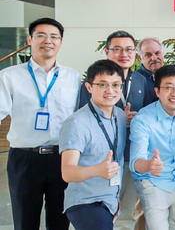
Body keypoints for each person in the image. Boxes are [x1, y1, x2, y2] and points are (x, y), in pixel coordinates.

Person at [0, 17, 81, 230]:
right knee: (25, 221)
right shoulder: (9, 76)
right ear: (30, 39)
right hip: (25, 159)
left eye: (54, 36)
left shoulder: (72, 77)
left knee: (60, 221)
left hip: (62, 157)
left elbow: (81, 118)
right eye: (41, 35)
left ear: (61, 42)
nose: (48, 40)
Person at [77, 30, 148, 230]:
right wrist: (119, 119)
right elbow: (86, 117)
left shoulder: (141, 80)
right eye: (117, 49)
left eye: (128, 49)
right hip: (100, 159)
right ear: (107, 52)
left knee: (127, 212)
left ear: (135, 53)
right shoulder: (94, 82)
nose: (123, 54)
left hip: (129, 156)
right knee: (101, 213)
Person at [129, 65, 175, 230]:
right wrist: (149, 165)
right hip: (154, 182)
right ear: (157, 91)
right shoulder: (143, 119)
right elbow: (135, 161)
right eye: (168, 88)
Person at [59, 60, 127, 230]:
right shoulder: (76, 123)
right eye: (102, 84)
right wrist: (97, 170)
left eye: (116, 85)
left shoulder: (120, 115)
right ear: (89, 87)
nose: (110, 91)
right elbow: (67, 172)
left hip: (108, 200)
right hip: (85, 202)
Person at [135, 37, 165, 105]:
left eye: (157, 53)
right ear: (140, 58)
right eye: (148, 55)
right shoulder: (135, 80)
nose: (154, 58)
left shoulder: (171, 76)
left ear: (163, 54)